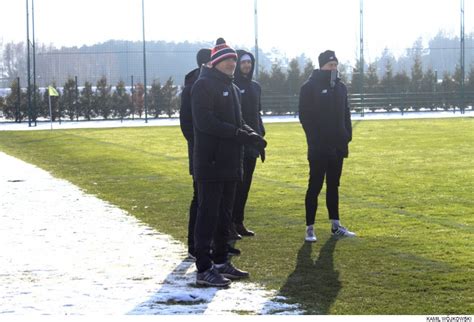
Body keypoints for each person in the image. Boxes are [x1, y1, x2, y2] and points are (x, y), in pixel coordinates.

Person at [191, 38, 266, 287]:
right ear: (216, 62)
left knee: (225, 214)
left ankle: (222, 261)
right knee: (208, 214)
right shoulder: (203, 85)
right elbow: (205, 122)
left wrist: (253, 135)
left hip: (231, 162)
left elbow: (239, 121)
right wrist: (237, 134)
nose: (232, 63)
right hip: (211, 162)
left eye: (234, 59)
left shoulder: (232, 87)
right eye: (228, 59)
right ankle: (203, 267)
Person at [298, 50, 355, 242]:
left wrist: (347, 135)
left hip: (337, 147)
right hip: (318, 148)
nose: (334, 68)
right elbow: (305, 117)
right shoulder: (309, 87)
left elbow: (346, 112)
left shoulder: (340, 87)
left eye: (335, 65)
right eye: (330, 65)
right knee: (314, 186)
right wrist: (316, 140)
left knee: (334, 186)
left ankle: (335, 225)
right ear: (322, 65)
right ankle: (310, 228)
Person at [179, 48, 211, 259]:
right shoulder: (192, 87)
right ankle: (194, 246)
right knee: (200, 198)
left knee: (211, 200)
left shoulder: (212, 84)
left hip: (215, 152)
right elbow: (186, 124)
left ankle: (214, 244)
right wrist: (200, 143)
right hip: (200, 152)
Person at [231, 50, 266, 238]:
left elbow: (257, 114)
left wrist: (260, 136)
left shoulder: (255, 86)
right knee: (235, 185)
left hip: (253, 143)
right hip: (238, 142)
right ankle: (228, 223)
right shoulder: (233, 85)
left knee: (246, 186)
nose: (246, 65)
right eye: (243, 62)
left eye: (249, 62)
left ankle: (239, 222)